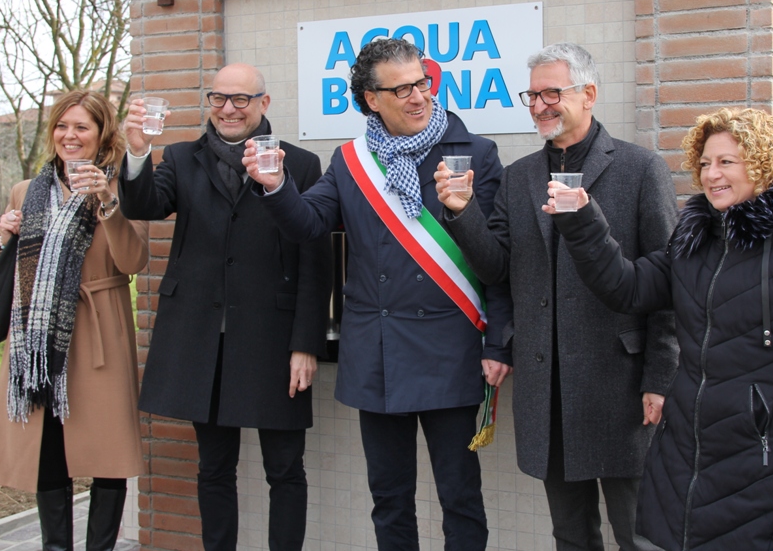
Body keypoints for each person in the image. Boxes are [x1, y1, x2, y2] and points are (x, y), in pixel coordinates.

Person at [550, 107, 773, 550]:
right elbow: (628, 288)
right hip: (687, 457)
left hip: (765, 463)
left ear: (765, 164)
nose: (711, 174)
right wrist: (582, 221)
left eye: (726, 162)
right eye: (704, 163)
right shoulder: (694, 243)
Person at [243, 37, 511, 551]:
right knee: (389, 498)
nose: (419, 96)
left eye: (422, 83)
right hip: (378, 352)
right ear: (372, 99)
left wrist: (498, 343)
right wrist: (275, 187)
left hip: (450, 349)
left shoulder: (475, 152)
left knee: (460, 497)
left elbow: (497, 264)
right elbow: (309, 223)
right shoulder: (351, 160)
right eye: (402, 89)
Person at [436, 42, 679, 551]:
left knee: (640, 535)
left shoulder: (640, 169)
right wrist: (462, 211)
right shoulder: (520, 175)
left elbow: (667, 287)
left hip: (621, 385)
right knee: (570, 534)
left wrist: (660, 378)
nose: (540, 105)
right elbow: (497, 269)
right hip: (548, 386)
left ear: (588, 94)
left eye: (552, 93)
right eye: (532, 95)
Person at [118, 63, 332, 551]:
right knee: (214, 468)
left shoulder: (299, 164)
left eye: (241, 99)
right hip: (202, 341)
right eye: (219, 98)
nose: (228, 109)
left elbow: (314, 260)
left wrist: (305, 345)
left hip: (273, 340)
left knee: (285, 468)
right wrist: (137, 152)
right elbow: (144, 205)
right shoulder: (180, 157)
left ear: (264, 103)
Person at [0, 90, 149, 551]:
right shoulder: (27, 190)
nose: (69, 136)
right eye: (62, 125)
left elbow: (133, 260)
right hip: (38, 340)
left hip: (100, 331)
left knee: (108, 452)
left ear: (102, 134)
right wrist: (3, 236)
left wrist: (106, 203)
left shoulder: (122, 188)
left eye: (81, 127)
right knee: (48, 446)